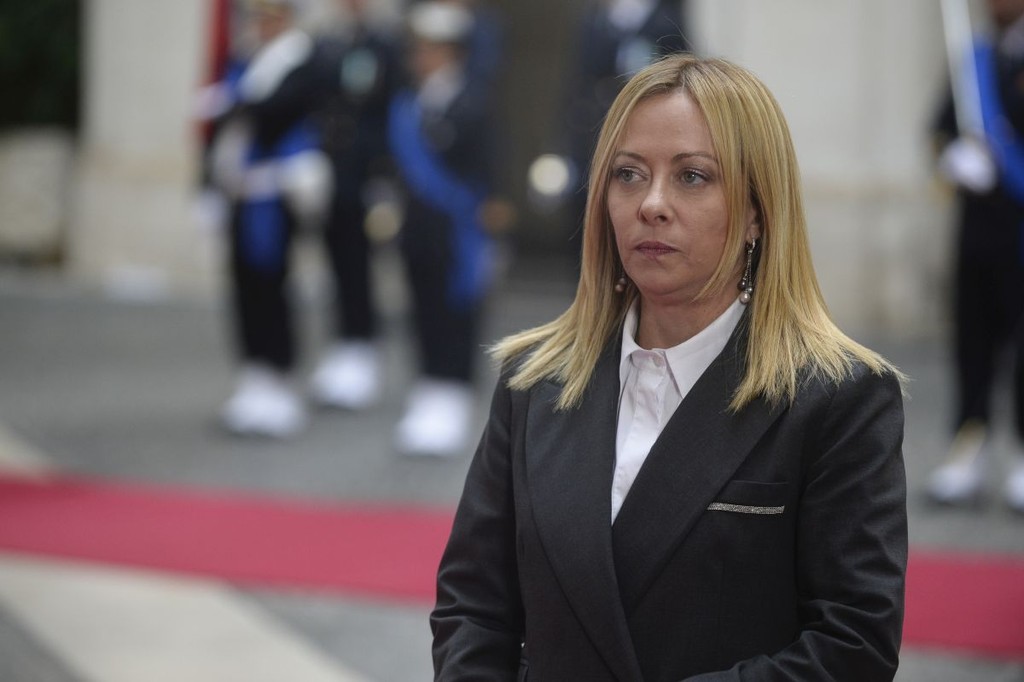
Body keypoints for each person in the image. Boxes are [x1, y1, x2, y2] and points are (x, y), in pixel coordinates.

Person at [431, 54, 908, 680]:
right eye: (628, 174)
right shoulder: (534, 379)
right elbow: (473, 610)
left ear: (758, 211)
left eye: (692, 177)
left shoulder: (836, 398)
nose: (652, 204)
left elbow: (853, 644)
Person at [203, 0, 331, 438]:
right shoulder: (247, 62)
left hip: (275, 192)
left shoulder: (301, 61)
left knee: (273, 285)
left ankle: (281, 376)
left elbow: (277, 111)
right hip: (241, 189)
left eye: (270, 15)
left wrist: (234, 106)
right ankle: (254, 374)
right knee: (244, 287)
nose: (261, 24)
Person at [387, 1, 497, 456]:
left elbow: (490, 167)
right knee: (422, 305)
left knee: (457, 309)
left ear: (453, 52)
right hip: (418, 228)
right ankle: (428, 385)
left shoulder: (474, 101)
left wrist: (494, 225)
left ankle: (453, 392)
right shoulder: (410, 103)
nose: (421, 57)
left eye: (431, 48)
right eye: (419, 48)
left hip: (459, 229)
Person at [927, 0, 1024, 512]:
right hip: (978, 234)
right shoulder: (974, 58)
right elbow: (941, 126)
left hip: (1020, 227)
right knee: (973, 342)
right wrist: (952, 157)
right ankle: (971, 441)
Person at [307, 0, 400, 411]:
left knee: (360, 264)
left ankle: (363, 348)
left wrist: (384, 174)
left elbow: (388, 111)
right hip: (331, 170)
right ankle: (342, 344)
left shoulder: (385, 43)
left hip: (366, 172)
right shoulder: (327, 43)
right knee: (335, 260)